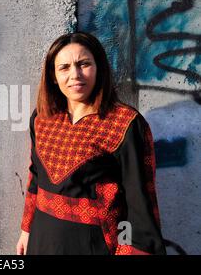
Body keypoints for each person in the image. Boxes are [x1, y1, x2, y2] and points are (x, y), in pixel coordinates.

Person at [16, 32, 166, 255]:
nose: (75, 75)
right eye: (64, 67)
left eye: (84, 64)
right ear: (53, 76)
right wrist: (26, 230)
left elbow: (138, 202)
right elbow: (35, 177)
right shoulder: (42, 118)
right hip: (42, 239)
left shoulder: (123, 123)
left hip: (96, 245)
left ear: (99, 68)